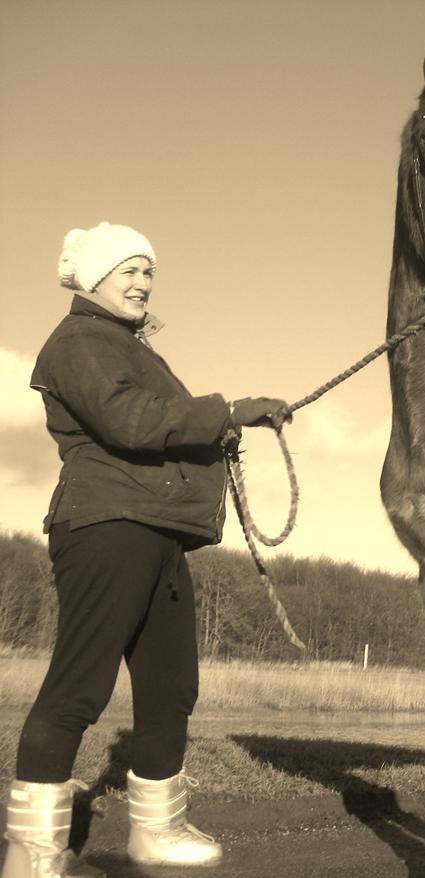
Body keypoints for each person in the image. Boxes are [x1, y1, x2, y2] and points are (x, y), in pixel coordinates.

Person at [2, 223, 289, 878]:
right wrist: (228, 411)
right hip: (106, 526)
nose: (142, 283)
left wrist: (218, 434)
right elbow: (129, 420)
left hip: (156, 531)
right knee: (79, 687)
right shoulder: (78, 341)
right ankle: (32, 854)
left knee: (170, 686)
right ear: (94, 278)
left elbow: (160, 424)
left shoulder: (129, 347)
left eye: (148, 271)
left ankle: (157, 831)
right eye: (128, 270)